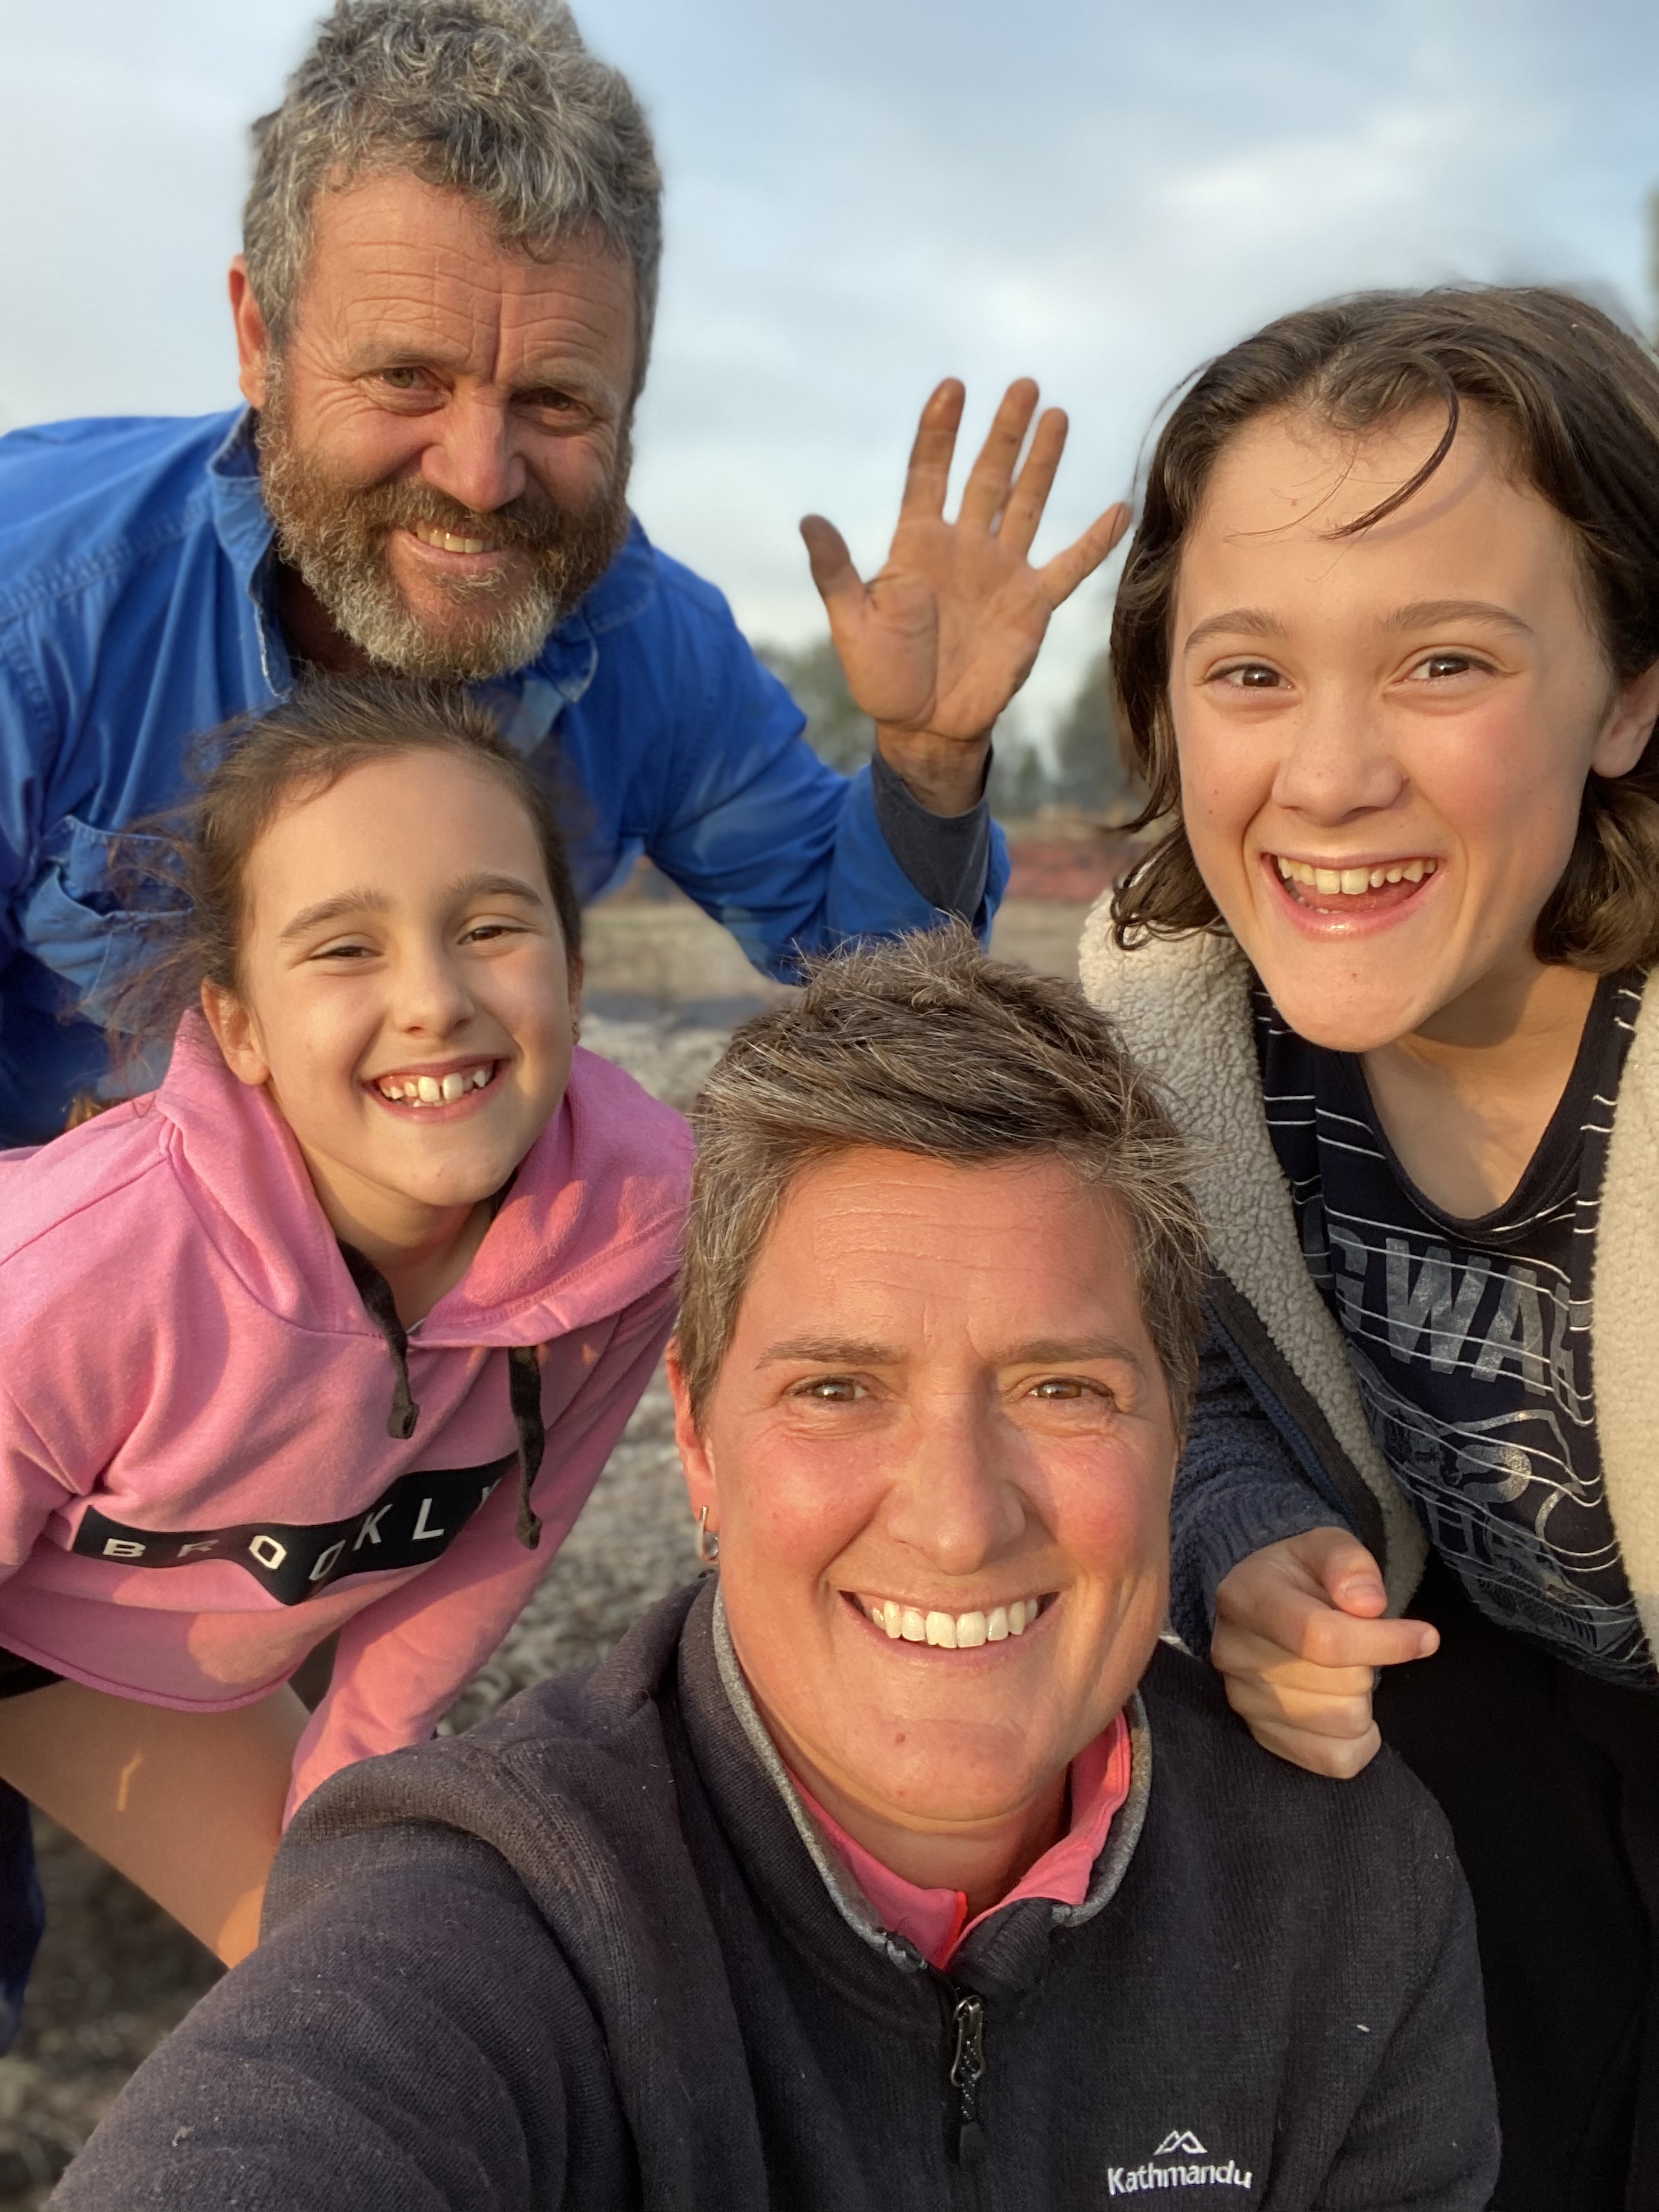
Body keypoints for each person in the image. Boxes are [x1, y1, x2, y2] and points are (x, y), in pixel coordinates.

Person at [49, 931, 1499, 2212]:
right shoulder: (509, 1915)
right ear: (697, 1438)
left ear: (1177, 1426)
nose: (956, 1521)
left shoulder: (1342, 1894)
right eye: (837, 1390)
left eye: (1061, 1388)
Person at [0, 0, 1128, 1149]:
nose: (481, 479)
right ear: (259, 338)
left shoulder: (653, 645)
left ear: (631, 386)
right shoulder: (31, 606)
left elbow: (867, 973)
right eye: (406, 378)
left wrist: (929, 758)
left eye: (555, 400)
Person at [1079, 284, 1659, 2211]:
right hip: (1484, 1688)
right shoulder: (1186, 1026)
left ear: (1629, 692)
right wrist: (1247, 1539)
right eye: (1249, 671)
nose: (1326, 777)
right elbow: (1194, 1360)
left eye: (1443, 663)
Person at [0, 676, 691, 1974]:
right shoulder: (82, 1274)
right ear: (238, 1027)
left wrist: (346, 1795)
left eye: (490, 927)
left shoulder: (636, 1239)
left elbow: (498, 1535)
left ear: (574, 970)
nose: (432, 999)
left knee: (367, 1966)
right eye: (343, 948)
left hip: (132, 1663)